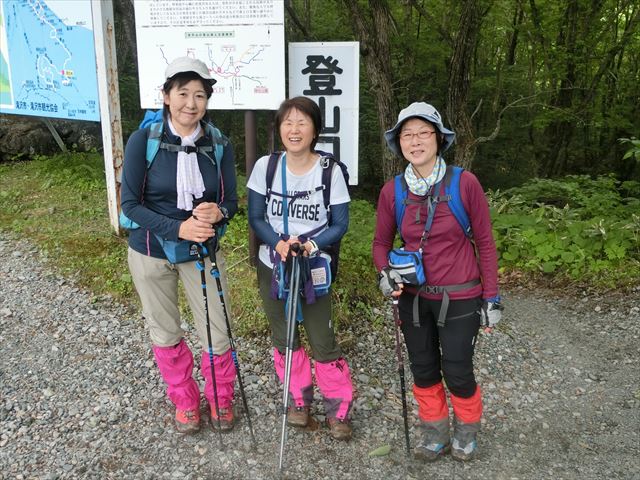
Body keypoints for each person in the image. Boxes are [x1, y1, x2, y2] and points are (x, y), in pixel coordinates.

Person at [372, 102, 502, 461]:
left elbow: (485, 242)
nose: (415, 141)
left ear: (439, 139)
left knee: (458, 368)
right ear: (398, 142)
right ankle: (435, 433)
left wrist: (491, 297)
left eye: (423, 133)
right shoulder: (393, 191)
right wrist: (385, 272)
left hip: (460, 295)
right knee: (424, 367)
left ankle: (466, 431)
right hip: (412, 298)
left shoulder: (464, 183)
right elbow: (381, 242)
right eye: (407, 135)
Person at [120, 56, 238, 434]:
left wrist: (218, 212)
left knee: (217, 328)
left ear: (207, 100)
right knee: (165, 329)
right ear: (166, 96)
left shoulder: (218, 143)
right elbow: (130, 205)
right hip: (150, 251)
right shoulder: (144, 141)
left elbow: (230, 202)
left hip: (202, 251)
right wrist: (179, 228)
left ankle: (220, 397)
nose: (191, 103)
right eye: (183, 93)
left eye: (200, 95)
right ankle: (185, 400)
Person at [247, 96, 354, 440]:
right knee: (284, 335)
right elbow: (256, 217)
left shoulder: (329, 171)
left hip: (314, 266)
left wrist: (310, 245)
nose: (294, 129)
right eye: (288, 122)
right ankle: (298, 399)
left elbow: (340, 224)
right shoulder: (266, 166)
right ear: (279, 128)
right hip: (274, 264)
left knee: (322, 337)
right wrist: (278, 243)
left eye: (302, 122)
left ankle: (338, 407)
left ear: (315, 130)